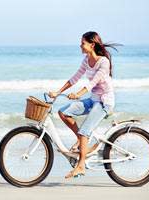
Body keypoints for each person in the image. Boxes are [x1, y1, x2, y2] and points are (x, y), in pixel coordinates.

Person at [48, 31, 119, 179]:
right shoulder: (86, 60)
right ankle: (84, 141)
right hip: (93, 99)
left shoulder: (103, 62)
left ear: (92, 44)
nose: (80, 45)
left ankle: (81, 166)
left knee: (83, 132)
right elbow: (74, 78)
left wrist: (78, 94)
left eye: (83, 43)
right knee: (63, 112)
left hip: (105, 102)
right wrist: (57, 92)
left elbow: (93, 82)